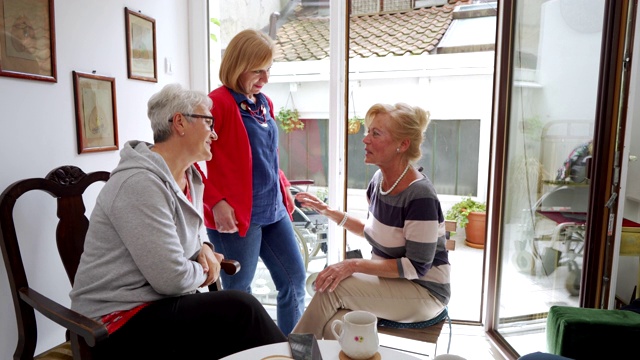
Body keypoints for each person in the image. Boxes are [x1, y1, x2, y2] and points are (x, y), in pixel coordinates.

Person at [69, 83, 286, 359]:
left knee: (239, 329)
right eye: (209, 123)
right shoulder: (139, 184)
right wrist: (209, 268)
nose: (215, 134)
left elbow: (187, 236)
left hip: (159, 305)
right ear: (180, 123)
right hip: (114, 323)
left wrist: (205, 246)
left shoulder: (189, 176)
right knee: (242, 310)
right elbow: (171, 279)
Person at [292, 103, 451, 339]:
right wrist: (326, 211)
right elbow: (373, 232)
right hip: (390, 282)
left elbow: (416, 267)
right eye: (368, 132)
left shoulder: (420, 196)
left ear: (403, 144)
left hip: (424, 292)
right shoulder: (379, 181)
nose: (365, 140)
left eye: (375, 134)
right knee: (331, 325)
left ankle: (291, 353)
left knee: (331, 288)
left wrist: (352, 265)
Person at [203, 29, 306, 335]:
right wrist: (216, 202)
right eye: (258, 69)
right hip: (235, 218)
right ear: (238, 65)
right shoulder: (215, 103)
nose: (265, 77)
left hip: (273, 209)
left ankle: (292, 350)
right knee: (239, 294)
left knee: (294, 281)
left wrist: (283, 184)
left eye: (268, 69)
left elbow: (266, 154)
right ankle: (242, 353)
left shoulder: (264, 103)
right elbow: (192, 161)